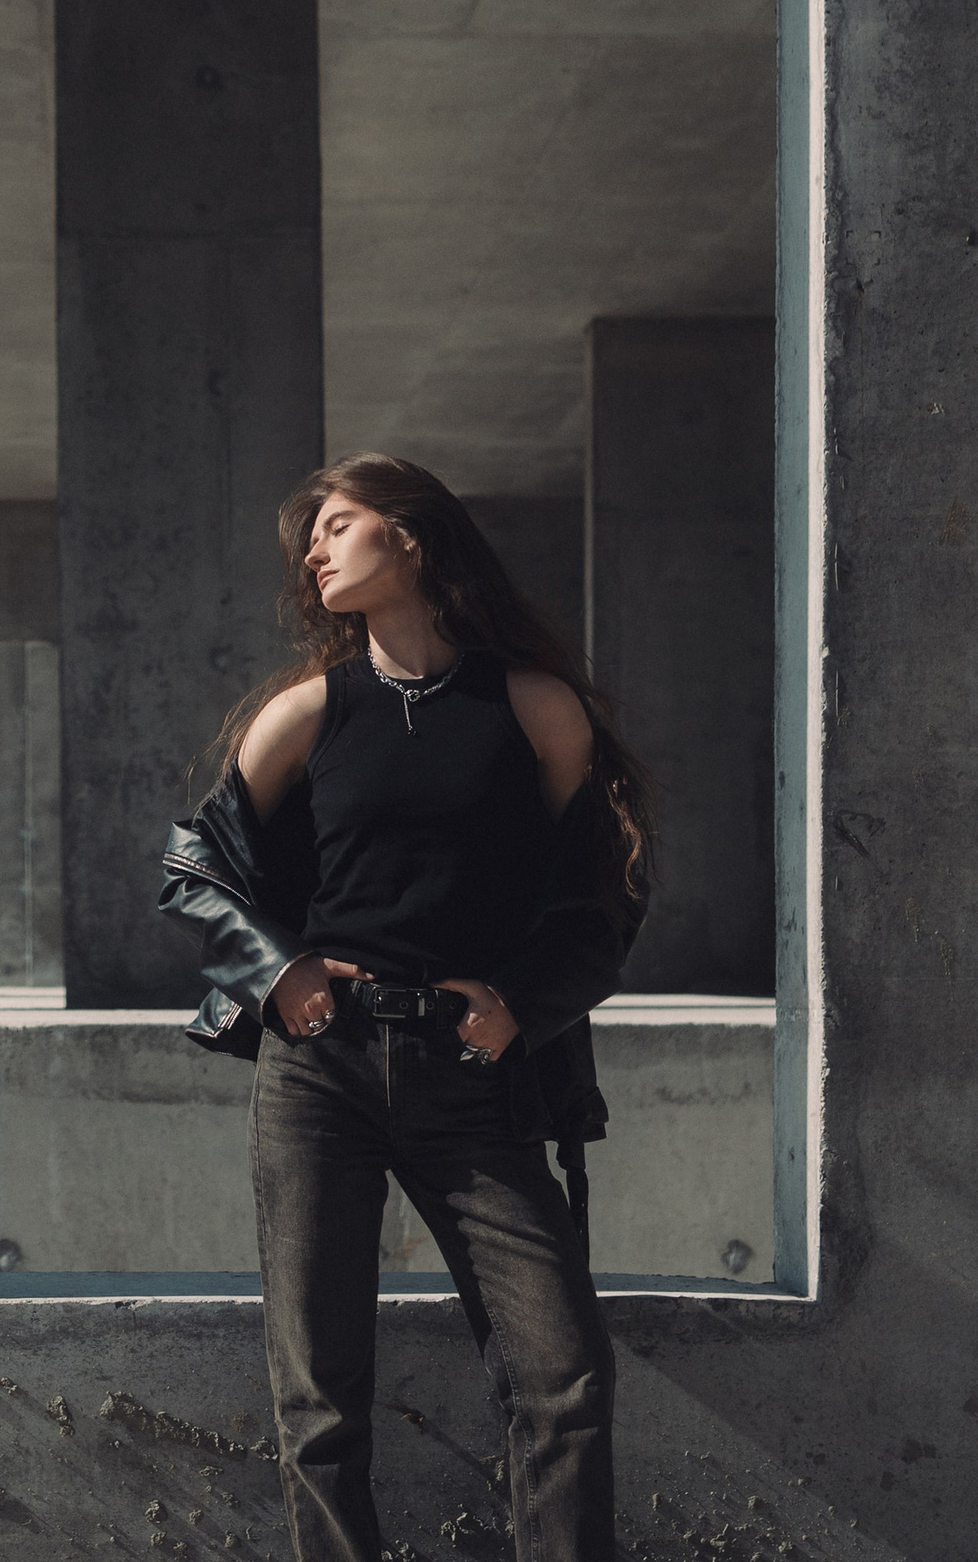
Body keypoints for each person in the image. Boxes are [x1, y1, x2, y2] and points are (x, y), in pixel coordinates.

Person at [159, 452, 653, 1562]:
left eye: (338, 524)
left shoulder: (532, 708)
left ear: (413, 536)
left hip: (473, 1076)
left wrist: (521, 1002)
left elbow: (601, 893)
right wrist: (275, 967)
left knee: (563, 1375)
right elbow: (194, 866)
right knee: (322, 1399)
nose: (315, 551)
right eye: (310, 540)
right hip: (318, 1073)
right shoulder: (305, 713)